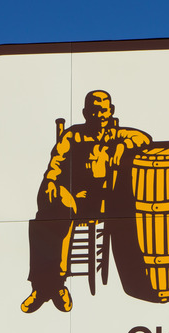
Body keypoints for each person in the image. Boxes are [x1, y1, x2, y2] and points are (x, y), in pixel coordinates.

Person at [21, 90, 151, 313]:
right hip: (73, 199)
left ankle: (51, 286)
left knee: (57, 215)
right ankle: (47, 286)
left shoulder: (118, 135)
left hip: (103, 203)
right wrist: (51, 182)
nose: (99, 115)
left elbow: (144, 138)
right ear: (85, 113)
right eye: (94, 110)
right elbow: (55, 164)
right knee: (46, 215)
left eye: (103, 110)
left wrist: (122, 146)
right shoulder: (73, 135)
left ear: (110, 111)